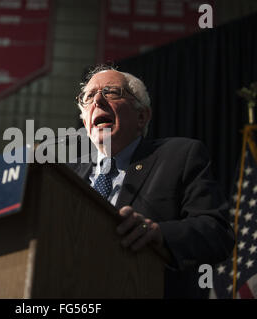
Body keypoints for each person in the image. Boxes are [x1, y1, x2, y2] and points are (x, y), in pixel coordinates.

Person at [67, 65, 235, 298]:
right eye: (88, 96)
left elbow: (217, 233)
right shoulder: (64, 175)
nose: (97, 100)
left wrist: (158, 234)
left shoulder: (180, 156)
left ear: (142, 116)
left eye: (111, 92)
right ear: (85, 123)